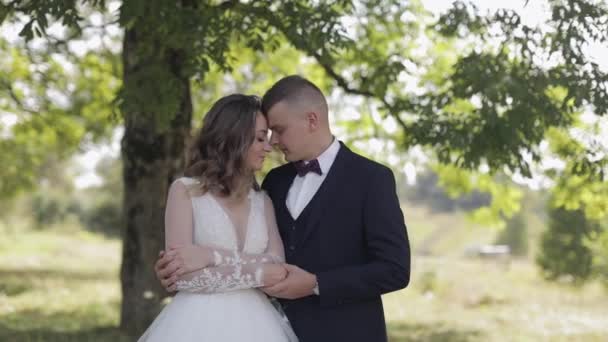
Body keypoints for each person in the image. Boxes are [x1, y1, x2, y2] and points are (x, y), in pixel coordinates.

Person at [156, 75, 411, 342]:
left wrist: (316, 284)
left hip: (345, 332)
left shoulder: (371, 179)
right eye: (265, 135)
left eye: (279, 130)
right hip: (268, 328)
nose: (273, 142)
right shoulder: (274, 182)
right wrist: (177, 269)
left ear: (312, 120)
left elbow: (394, 269)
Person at [139, 94, 298, 342]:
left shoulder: (263, 200)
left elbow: (277, 267)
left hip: (259, 326)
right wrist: (258, 273)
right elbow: (180, 276)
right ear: (232, 137)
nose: (268, 147)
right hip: (195, 324)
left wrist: (210, 256)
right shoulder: (185, 191)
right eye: (259, 138)